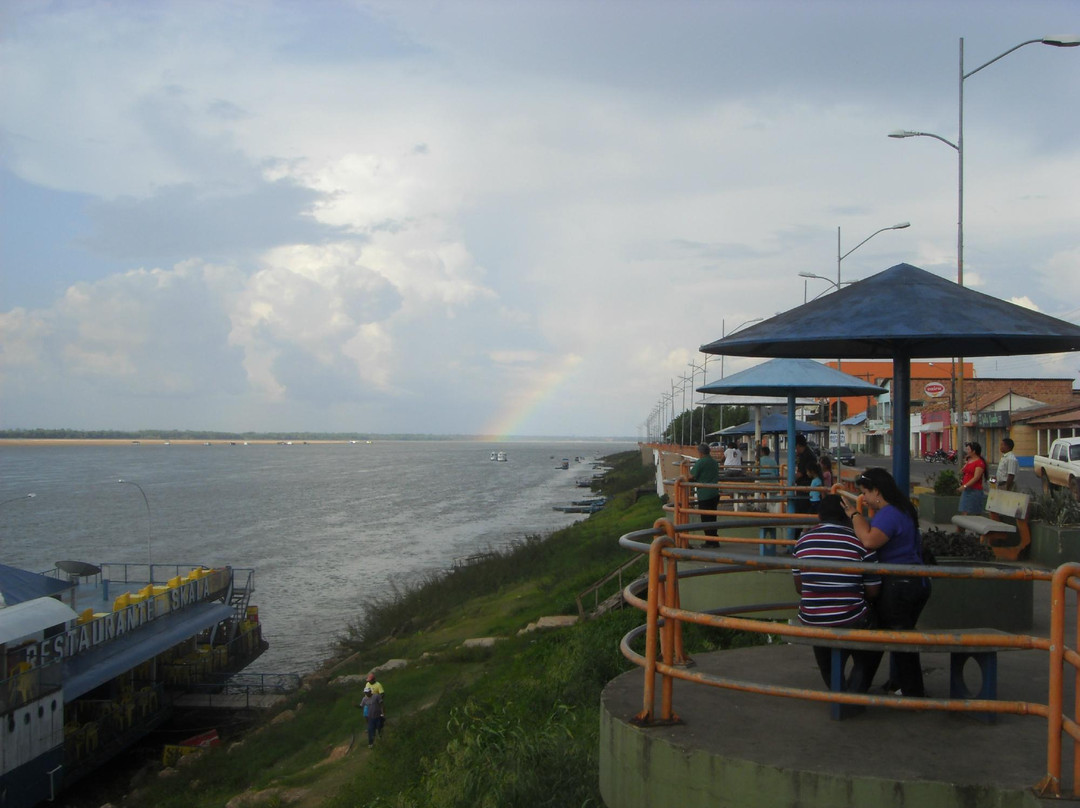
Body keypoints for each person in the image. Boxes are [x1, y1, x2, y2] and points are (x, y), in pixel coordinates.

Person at [846, 467, 930, 697]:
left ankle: (912, 691)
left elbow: (870, 541)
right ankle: (901, 685)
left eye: (865, 492)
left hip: (899, 585)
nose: (864, 498)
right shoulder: (901, 509)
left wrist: (854, 515)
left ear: (877, 492)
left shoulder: (889, 513)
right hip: (912, 582)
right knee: (900, 637)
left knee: (898, 639)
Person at [792, 495, 881, 694]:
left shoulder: (803, 541)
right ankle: (856, 689)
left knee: (823, 641)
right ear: (847, 516)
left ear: (819, 516)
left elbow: (800, 587)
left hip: (812, 617)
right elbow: (873, 591)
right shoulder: (861, 542)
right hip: (852, 617)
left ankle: (837, 688)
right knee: (874, 635)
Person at [688, 443, 721, 539]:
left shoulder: (700, 462)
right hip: (714, 493)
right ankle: (714, 539)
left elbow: (691, 476)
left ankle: (709, 540)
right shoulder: (714, 462)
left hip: (704, 495)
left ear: (701, 453)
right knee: (713, 518)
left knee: (705, 519)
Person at [959, 441, 987, 515]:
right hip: (967, 490)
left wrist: (965, 486)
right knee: (964, 512)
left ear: (974, 451)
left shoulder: (979, 463)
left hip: (974, 490)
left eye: (968, 449)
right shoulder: (969, 460)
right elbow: (963, 471)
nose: (967, 451)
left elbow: (976, 478)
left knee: (971, 513)